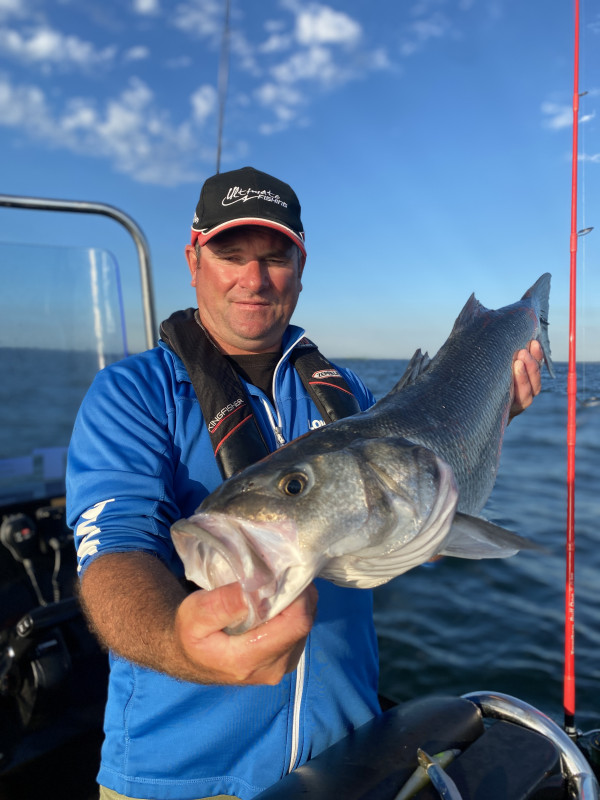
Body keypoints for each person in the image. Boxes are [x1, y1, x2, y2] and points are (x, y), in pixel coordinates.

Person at [66, 166, 543, 800]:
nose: (253, 278)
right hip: (176, 779)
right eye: (230, 254)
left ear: (301, 264)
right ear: (193, 259)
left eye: (275, 257)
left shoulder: (349, 393)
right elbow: (113, 551)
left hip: (352, 760)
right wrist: (174, 640)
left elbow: (407, 526)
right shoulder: (131, 395)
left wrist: (493, 413)